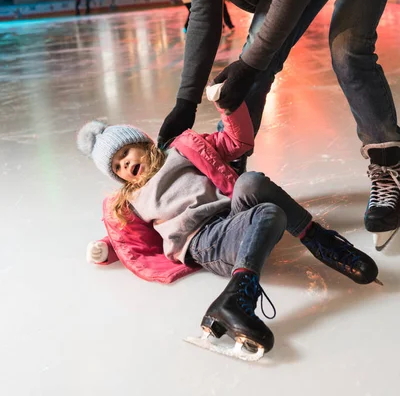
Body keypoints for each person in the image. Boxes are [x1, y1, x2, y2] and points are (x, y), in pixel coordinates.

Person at [97, 0, 400, 249]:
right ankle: (229, 178)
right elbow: (203, 16)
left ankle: (389, 167)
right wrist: (185, 103)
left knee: (348, 50)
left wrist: (250, 65)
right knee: (250, 69)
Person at [78, 97, 379, 359]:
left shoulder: (182, 150)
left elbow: (237, 143)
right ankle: (236, 300)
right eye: (116, 167)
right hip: (202, 242)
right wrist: (106, 249)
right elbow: (129, 239)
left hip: (232, 218)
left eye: (125, 154)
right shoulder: (131, 198)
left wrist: (231, 106)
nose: (125, 166)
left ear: (142, 143)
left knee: (252, 182)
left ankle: (319, 240)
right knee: (269, 214)